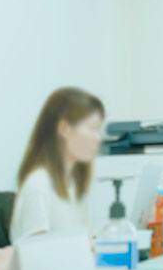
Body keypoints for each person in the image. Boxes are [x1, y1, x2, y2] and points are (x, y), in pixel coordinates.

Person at [10, 87, 104, 243]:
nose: (98, 138)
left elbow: (88, 245)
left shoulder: (73, 184)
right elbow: (38, 259)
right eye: (92, 128)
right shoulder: (38, 186)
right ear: (65, 129)